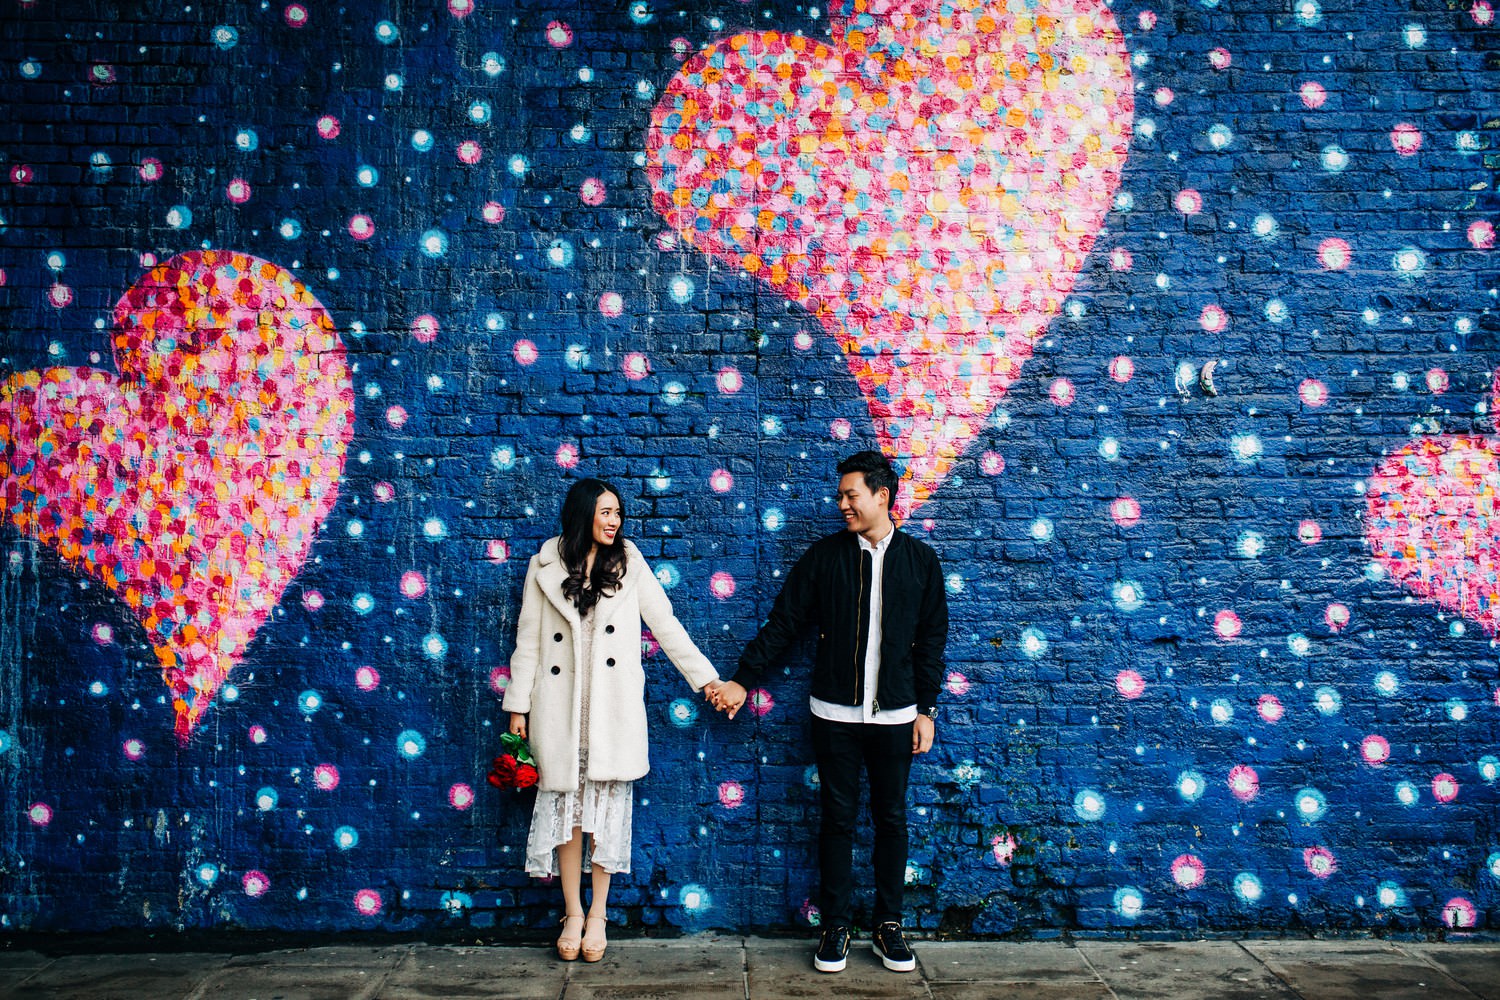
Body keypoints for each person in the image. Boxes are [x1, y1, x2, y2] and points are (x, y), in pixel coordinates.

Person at [710, 450, 949, 974]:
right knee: (836, 820)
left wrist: (926, 709)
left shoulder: (921, 562)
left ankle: (889, 926)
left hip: (896, 718)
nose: (841, 504)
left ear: (881, 496)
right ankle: (836, 925)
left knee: (891, 819)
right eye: (841, 495)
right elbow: (784, 623)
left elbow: (932, 643)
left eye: (850, 495)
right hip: (834, 715)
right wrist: (742, 680)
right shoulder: (824, 558)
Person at [504, 477, 727, 962]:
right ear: (583, 513)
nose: (614, 521)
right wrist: (517, 706)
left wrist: (706, 680)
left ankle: (599, 913)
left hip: (611, 709)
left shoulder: (630, 563)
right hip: (559, 709)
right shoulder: (543, 566)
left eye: (618, 513)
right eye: (605, 512)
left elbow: (665, 624)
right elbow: (528, 643)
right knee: (567, 815)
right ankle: (573, 913)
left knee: (602, 815)